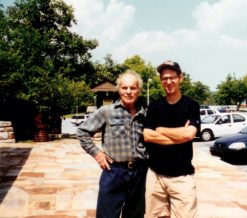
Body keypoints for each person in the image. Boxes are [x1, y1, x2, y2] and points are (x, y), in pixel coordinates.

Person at [77, 70, 148, 218]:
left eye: (132, 88)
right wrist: (96, 153)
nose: (128, 92)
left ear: (138, 91)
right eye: (124, 88)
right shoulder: (107, 112)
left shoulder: (145, 114)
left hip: (139, 174)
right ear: (119, 89)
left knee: (135, 215)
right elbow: (82, 131)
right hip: (114, 173)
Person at [143, 60, 200, 218]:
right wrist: (179, 136)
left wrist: (160, 129)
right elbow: (147, 135)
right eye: (164, 78)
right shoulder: (155, 107)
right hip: (156, 177)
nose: (168, 82)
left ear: (180, 77)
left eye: (172, 77)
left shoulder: (191, 105)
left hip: (182, 178)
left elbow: (189, 134)